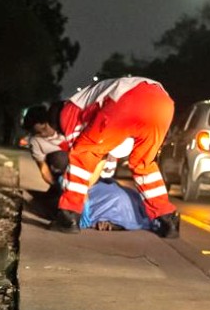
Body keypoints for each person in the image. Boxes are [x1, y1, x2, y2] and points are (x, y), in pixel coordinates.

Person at [49, 76, 179, 238]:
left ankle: (68, 216)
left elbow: (82, 154)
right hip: (163, 104)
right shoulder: (88, 97)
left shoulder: (68, 110)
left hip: (129, 101)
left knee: (82, 153)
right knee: (144, 165)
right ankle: (168, 218)